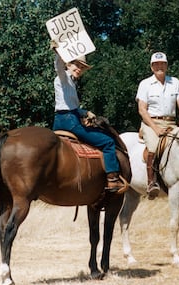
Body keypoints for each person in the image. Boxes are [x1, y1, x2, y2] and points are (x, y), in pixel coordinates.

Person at [50, 41, 126, 194]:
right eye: (77, 65)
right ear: (69, 65)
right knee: (108, 142)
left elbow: (70, 105)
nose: (79, 69)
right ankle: (112, 179)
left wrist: (84, 112)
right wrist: (58, 52)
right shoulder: (63, 77)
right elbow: (58, 67)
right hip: (70, 122)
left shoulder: (71, 83)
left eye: (82, 68)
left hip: (61, 120)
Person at [136, 52, 179, 199]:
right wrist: (155, 128)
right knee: (153, 146)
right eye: (156, 64)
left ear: (166, 65)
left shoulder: (175, 82)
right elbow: (142, 109)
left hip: (171, 122)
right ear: (152, 67)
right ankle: (152, 182)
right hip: (151, 122)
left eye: (162, 64)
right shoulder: (145, 84)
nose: (160, 67)